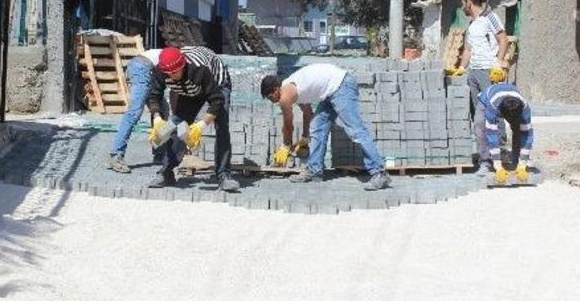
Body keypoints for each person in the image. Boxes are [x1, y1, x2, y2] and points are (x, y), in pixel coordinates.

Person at [260, 63, 391, 191]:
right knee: (317, 127)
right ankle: (315, 170)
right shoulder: (293, 90)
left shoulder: (285, 95)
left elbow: (288, 124)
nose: (272, 101)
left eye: (271, 97)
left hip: (341, 86)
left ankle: (380, 173)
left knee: (356, 130)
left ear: (276, 90)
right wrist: (305, 138)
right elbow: (307, 113)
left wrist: (286, 146)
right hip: (329, 92)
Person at [146, 46, 240, 192]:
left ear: (182, 66)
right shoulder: (161, 70)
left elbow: (216, 100)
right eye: (168, 73)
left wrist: (201, 125)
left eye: (174, 72)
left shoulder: (199, 70)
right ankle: (166, 172)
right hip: (189, 88)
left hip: (216, 83)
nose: (171, 76)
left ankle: (224, 175)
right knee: (176, 123)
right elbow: (153, 95)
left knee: (221, 126)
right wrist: (157, 119)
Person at [452, 0, 509, 166]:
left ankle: (499, 151)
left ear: (469, 2)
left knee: (494, 110)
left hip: (488, 71)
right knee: (478, 114)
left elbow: (503, 40)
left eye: (463, 3)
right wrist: (462, 68)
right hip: (474, 73)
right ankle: (485, 155)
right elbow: (468, 49)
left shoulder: (490, 17)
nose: (462, 7)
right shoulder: (472, 24)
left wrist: (498, 63)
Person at [107, 48, 169, 173]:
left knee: (162, 110)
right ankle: (116, 155)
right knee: (134, 113)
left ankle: (160, 153)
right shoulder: (177, 59)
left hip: (143, 67)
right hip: (142, 68)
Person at [476, 82, 534, 183]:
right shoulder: (493, 106)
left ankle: (517, 161)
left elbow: (527, 135)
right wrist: (497, 165)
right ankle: (485, 161)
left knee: (518, 129)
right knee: (480, 125)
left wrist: (523, 163)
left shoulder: (524, 108)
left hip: (509, 103)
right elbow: (492, 133)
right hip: (486, 100)